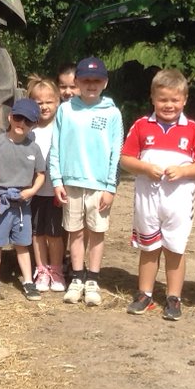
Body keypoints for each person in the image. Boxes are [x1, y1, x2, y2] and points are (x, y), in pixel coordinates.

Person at [119, 69, 195, 321]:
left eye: (174, 100)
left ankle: (173, 297)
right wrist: (145, 168)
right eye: (163, 100)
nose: (168, 105)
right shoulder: (141, 126)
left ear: (184, 99)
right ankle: (145, 294)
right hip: (148, 198)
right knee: (149, 247)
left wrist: (184, 171)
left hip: (178, 200)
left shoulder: (192, 130)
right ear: (152, 98)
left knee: (175, 248)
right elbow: (125, 159)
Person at [48, 56, 123, 306]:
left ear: (105, 82)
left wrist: (110, 187)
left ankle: (93, 279)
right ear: (77, 81)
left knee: (97, 232)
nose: (91, 84)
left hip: (99, 184)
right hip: (71, 182)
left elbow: (116, 152)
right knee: (75, 231)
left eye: (97, 80)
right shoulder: (66, 110)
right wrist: (57, 180)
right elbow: (55, 147)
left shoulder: (112, 113)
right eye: (86, 80)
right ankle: (77, 278)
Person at [0, 97, 46, 302]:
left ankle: (28, 281)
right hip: (0, 200)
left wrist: (32, 191)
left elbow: (41, 174)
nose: (21, 123)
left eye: (27, 121)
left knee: (22, 244)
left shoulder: (34, 148)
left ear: (33, 124)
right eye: (18, 118)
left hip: (22, 203)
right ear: (10, 117)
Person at [26, 78, 66, 291]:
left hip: (54, 191)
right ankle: (41, 270)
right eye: (38, 102)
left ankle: (57, 270)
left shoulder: (60, 129)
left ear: (58, 102)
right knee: (37, 233)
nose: (44, 106)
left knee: (54, 234)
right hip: (34, 192)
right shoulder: (29, 131)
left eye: (49, 101)